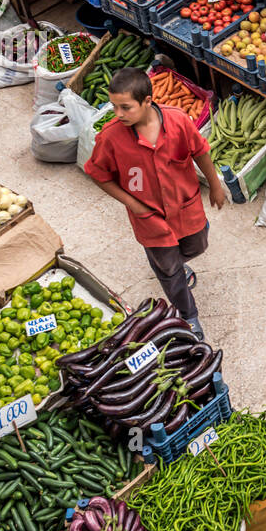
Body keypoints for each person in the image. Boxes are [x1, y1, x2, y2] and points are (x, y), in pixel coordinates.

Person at [84, 68, 224, 336]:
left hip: (186, 207)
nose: (118, 114)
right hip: (149, 218)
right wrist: (133, 205)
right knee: (169, 271)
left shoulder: (178, 121)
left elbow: (201, 152)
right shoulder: (111, 137)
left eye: (126, 107)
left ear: (147, 101)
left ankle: (172, 263)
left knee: (198, 243)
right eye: (114, 107)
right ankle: (187, 315)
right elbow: (98, 174)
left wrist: (215, 185)